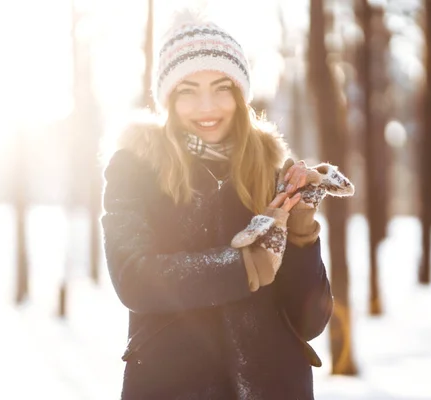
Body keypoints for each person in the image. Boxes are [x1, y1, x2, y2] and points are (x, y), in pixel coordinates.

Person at [101, 10, 354, 400]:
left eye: (222, 87)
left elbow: (309, 321)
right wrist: (243, 266)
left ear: (240, 94)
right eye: (188, 90)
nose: (207, 106)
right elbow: (135, 278)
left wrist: (302, 231)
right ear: (168, 97)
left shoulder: (273, 171)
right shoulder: (136, 169)